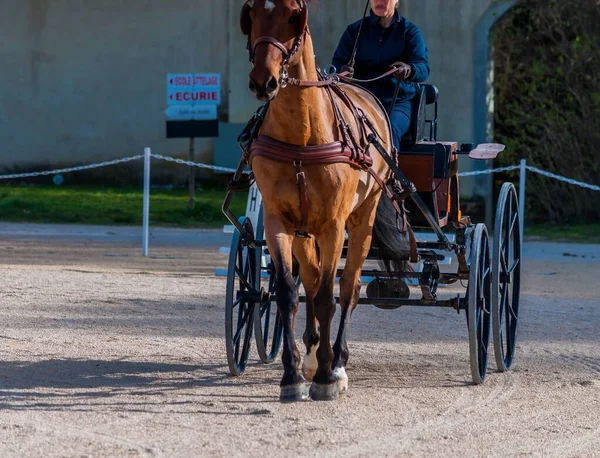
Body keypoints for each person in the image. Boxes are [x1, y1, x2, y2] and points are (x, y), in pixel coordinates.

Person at [332, 0, 430, 151]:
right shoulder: (354, 30)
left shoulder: (409, 31)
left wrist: (409, 69)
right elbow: (336, 65)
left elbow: (423, 67)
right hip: (360, 100)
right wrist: (343, 71)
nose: (380, 1)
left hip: (397, 102)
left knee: (388, 130)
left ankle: (390, 174)